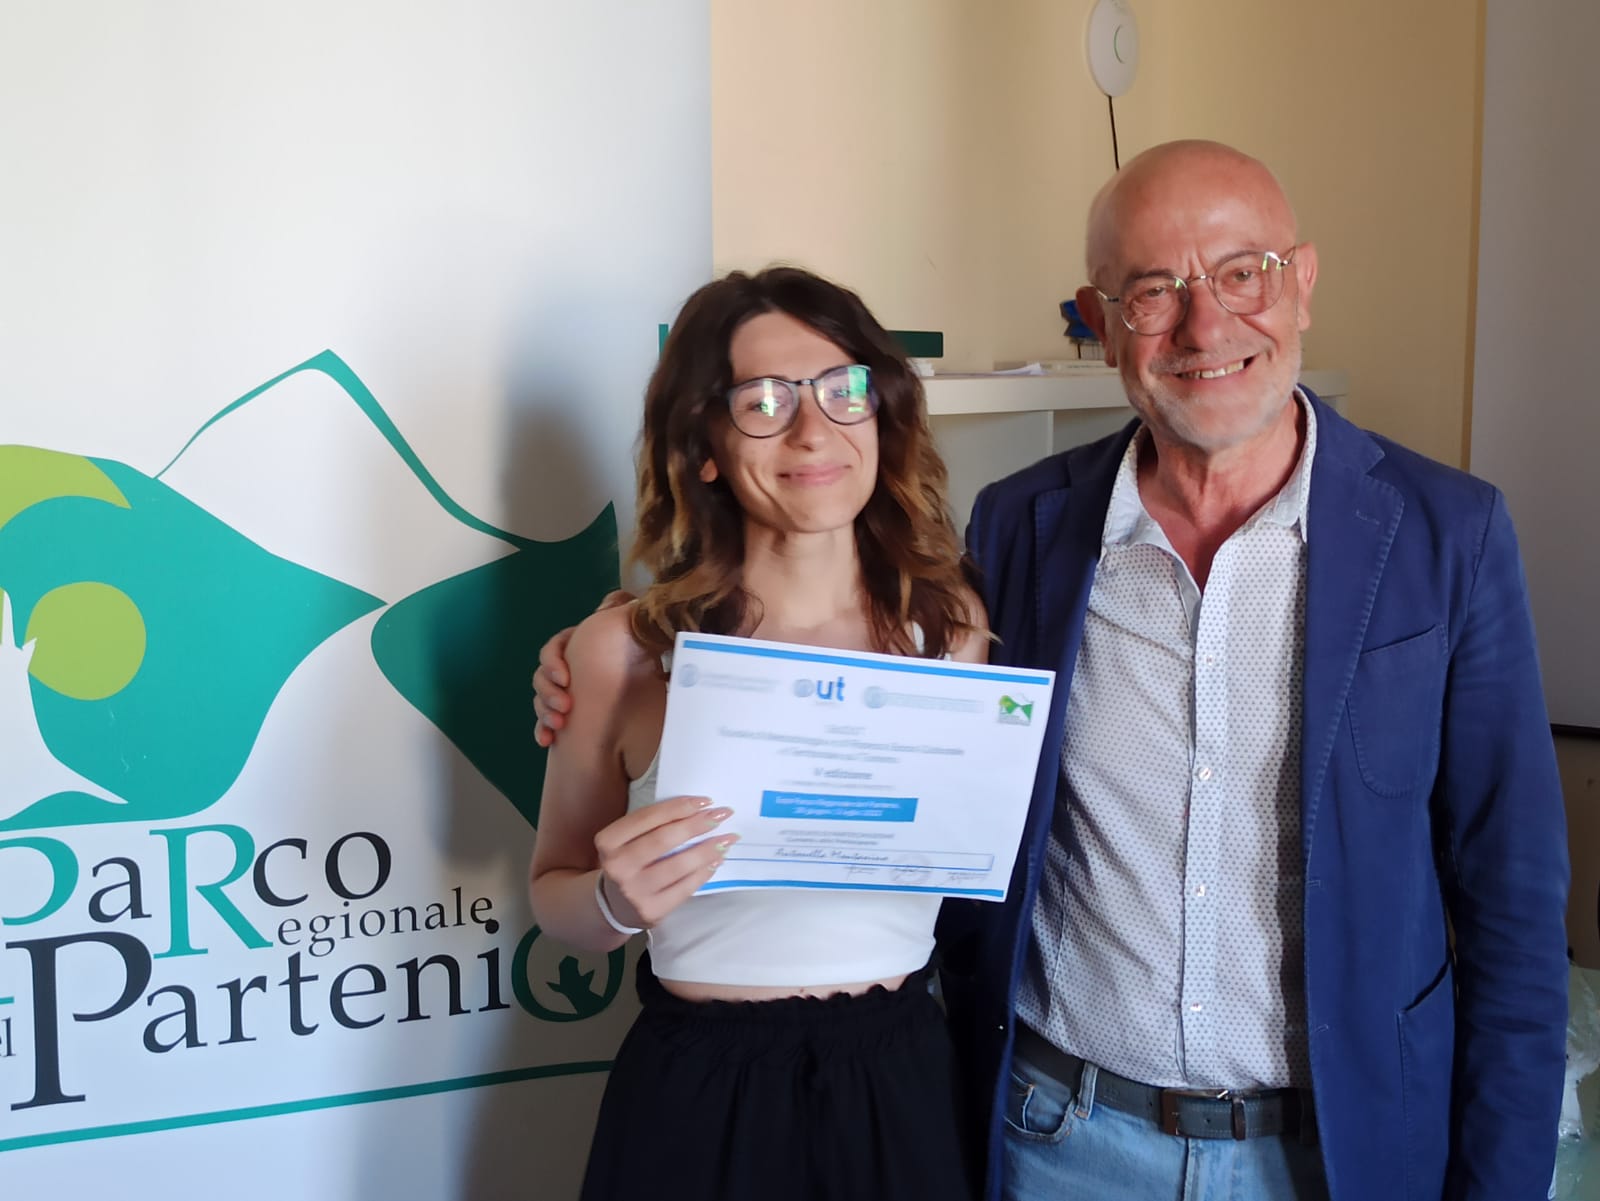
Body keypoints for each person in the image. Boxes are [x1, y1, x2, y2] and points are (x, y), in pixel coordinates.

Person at [536, 141, 1571, 1201]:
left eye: (1242, 273)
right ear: (1101, 318)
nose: (1204, 325)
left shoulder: (1446, 534)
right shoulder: (1019, 536)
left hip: (1337, 1153)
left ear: (1301, 282)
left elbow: (1516, 905)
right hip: (1055, 1143)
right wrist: (605, 651)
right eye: (1154, 290)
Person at [527, 265, 988, 1201]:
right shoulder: (624, 651)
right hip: (701, 1095)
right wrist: (614, 900)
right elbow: (552, 895)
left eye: (843, 389)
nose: (814, 429)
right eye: (765, 402)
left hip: (900, 1078)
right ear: (704, 444)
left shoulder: (949, 632)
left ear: (881, 415)